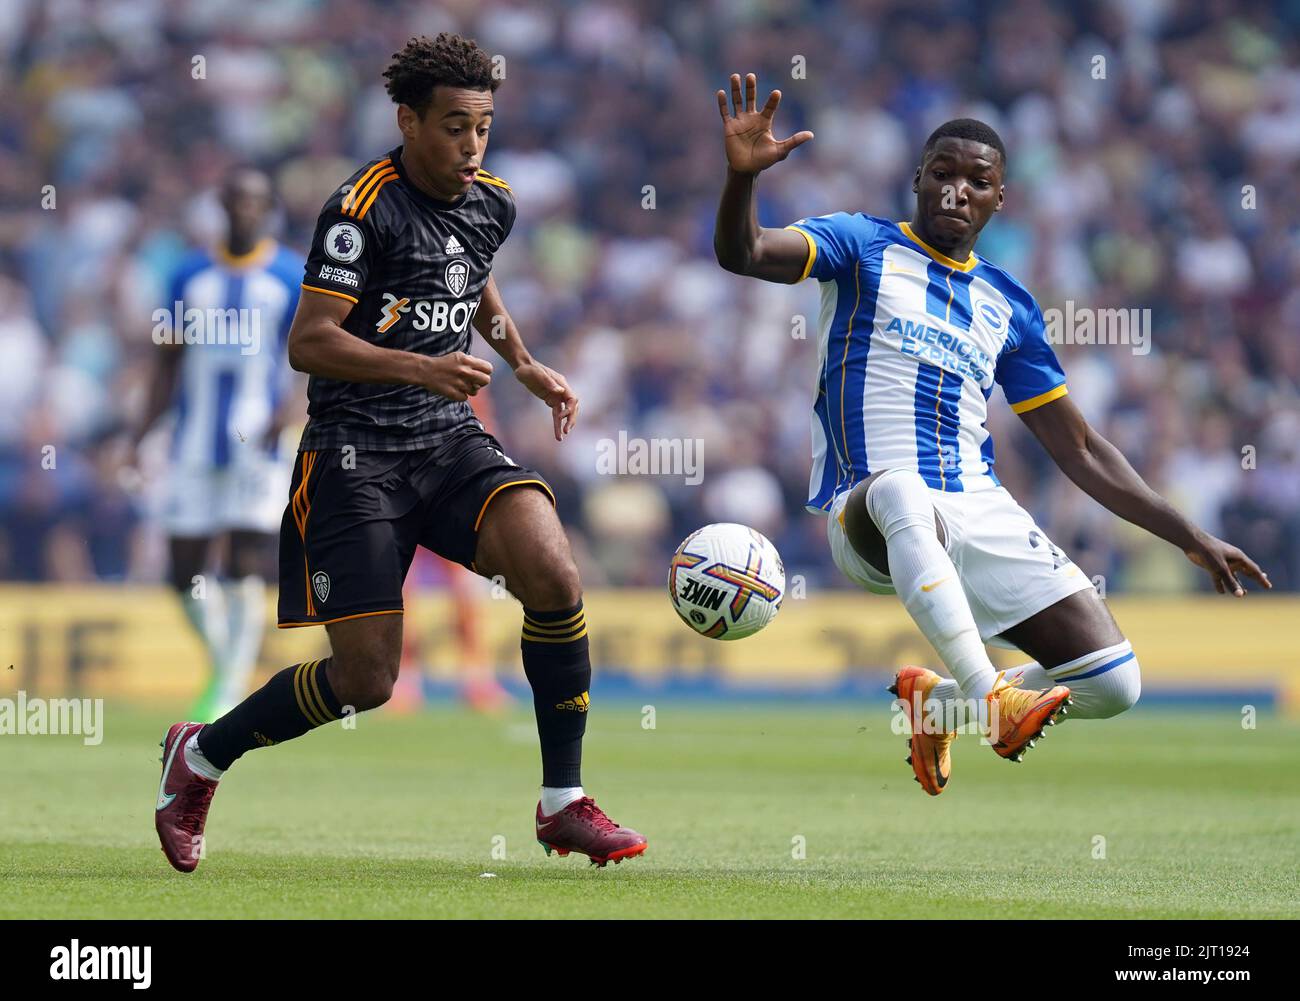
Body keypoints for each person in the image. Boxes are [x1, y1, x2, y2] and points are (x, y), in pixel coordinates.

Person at [154, 33, 646, 868]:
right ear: (407, 119)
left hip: (445, 440)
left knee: (553, 571)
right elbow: (309, 343)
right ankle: (200, 756)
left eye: (483, 127)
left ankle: (562, 799)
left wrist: (521, 360)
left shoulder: (491, 198)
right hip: (353, 456)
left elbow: (472, 271)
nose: (472, 145)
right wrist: (423, 364)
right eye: (454, 127)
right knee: (366, 681)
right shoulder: (358, 208)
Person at [712, 73, 1270, 795]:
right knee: (905, 490)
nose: (957, 190)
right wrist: (739, 180)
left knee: (1112, 682)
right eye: (942, 174)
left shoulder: (1008, 304)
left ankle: (939, 700)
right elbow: (744, 252)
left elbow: (1079, 447)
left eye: (978, 181)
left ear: (1000, 198)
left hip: (977, 508)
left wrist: (1186, 532)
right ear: (917, 179)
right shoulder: (861, 246)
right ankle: (988, 697)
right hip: (872, 510)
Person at [132, 167, 300, 722]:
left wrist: (292, 409)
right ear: (222, 206)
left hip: (261, 442)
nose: (244, 211)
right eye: (235, 201)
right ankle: (225, 667)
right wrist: (139, 433)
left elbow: (312, 357)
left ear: (268, 208)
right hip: (194, 444)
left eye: (255, 202)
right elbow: (166, 361)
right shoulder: (187, 277)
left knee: (246, 561)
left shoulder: (289, 275)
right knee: (182, 570)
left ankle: (226, 691)